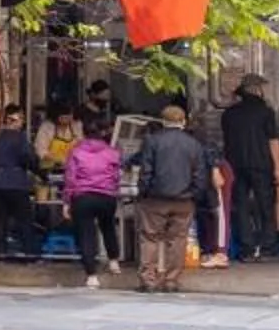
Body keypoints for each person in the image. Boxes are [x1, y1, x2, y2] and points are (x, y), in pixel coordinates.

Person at [136, 104, 209, 294]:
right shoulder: (194, 144)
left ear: (163, 121)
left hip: (155, 199)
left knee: (149, 237)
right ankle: (171, 280)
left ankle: (149, 280)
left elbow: (146, 171)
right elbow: (200, 174)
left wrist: (144, 190)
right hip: (184, 199)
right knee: (178, 239)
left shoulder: (152, 141)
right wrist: (194, 194)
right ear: (183, 122)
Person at [221, 74, 279, 261]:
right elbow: (273, 141)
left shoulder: (228, 114)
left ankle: (246, 249)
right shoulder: (266, 112)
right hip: (261, 164)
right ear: (256, 89)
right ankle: (268, 248)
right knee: (266, 206)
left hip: (235, 165)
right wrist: (278, 168)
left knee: (240, 207)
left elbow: (227, 141)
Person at [62, 114, 125, 290]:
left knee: (86, 234)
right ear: (104, 133)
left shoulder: (76, 152)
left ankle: (91, 276)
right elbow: (117, 176)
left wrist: (67, 201)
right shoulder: (112, 153)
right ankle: (114, 261)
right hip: (106, 196)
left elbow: (70, 179)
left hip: (82, 197)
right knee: (108, 227)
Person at [0, 115, 40, 261]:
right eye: (21, 120)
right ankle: (28, 253)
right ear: (12, 121)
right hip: (16, 183)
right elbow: (28, 158)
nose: (22, 123)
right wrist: (39, 171)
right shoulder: (19, 137)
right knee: (24, 219)